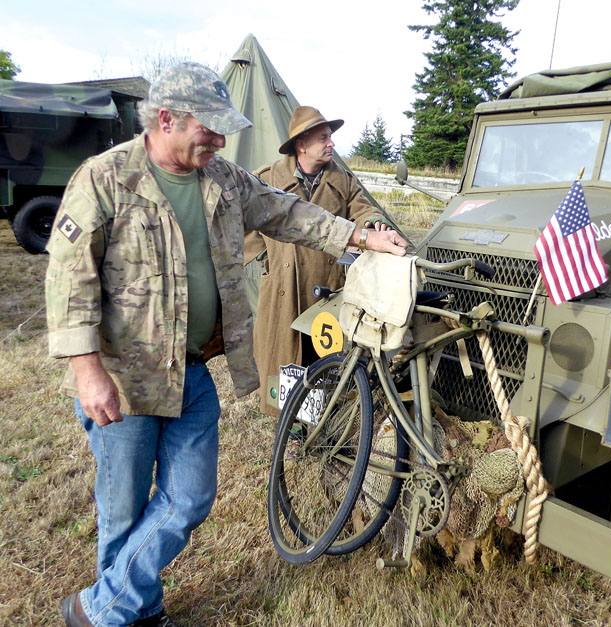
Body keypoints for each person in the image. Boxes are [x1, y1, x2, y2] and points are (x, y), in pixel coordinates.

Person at [47, 62, 407, 627]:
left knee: (189, 499)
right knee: (121, 510)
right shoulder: (105, 178)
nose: (219, 139)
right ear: (166, 119)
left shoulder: (224, 179)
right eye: (208, 127)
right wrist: (86, 370)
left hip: (191, 373)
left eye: (222, 129)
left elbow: (288, 212)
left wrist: (360, 235)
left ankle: (99, 608)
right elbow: (69, 279)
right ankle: (135, 610)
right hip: (125, 377)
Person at [244, 105, 392, 416]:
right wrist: (265, 256)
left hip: (327, 287)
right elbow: (246, 224)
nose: (332, 144)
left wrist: (374, 223)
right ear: (302, 144)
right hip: (285, 286)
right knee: (284, 353)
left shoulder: (342, 180)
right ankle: (290, 424)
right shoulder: (267, 179)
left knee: (322, 353)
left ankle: (324, 417)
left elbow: (363, 210)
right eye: (324, 138)